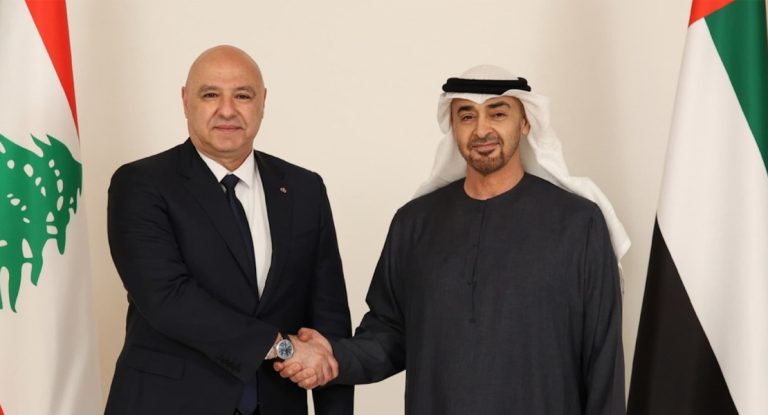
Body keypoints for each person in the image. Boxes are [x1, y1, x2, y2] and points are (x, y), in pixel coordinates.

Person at [277, 65, 630, 414]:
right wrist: (334, 357)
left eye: (498, 113)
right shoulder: (414, 224)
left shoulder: (579, 224)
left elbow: (603, 359)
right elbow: (391, 334)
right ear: (453, 126)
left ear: (525, 123)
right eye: (467, 116)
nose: (482, 129)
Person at [105, 45, 353, 415]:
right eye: (210, 95)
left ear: (263, 102)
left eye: (242, 95)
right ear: (186, 100)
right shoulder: (141, 184)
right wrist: (281, 346)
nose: (227, 110)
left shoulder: (304, 189)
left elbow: (328, 321)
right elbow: (167, 299)